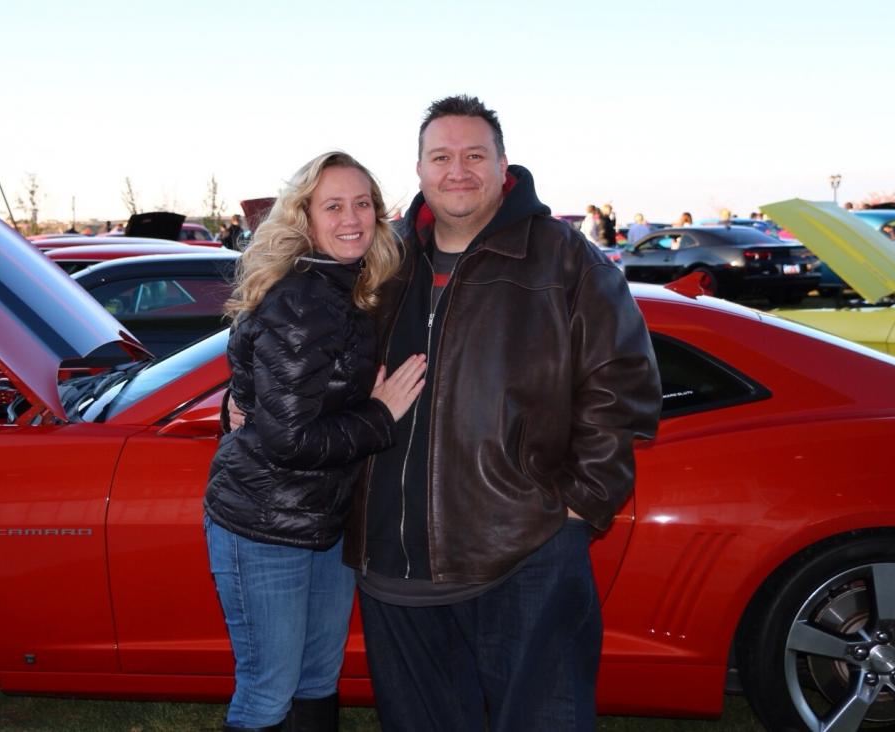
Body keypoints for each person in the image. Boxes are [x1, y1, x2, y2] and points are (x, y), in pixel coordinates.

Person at [344, 95, 662, 731]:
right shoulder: (387, 262)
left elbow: (623, 386)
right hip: (393, 561)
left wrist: (576, 508)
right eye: (441, 156)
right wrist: (247, 398)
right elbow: (314, 352)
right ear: (419, 170)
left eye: (473, 155)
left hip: (523, 553)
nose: (456, 170)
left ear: (503, 163)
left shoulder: (565, 257)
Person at [204, 151, 427, 732]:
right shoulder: (305, 298)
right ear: (305, 217)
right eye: (333, 206)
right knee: (268, 692)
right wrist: (380, 415)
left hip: (322, 521)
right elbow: (288, 439)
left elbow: (278, 392)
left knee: (315, 682)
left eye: (362, 205)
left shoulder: (346, 288)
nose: (351, 218)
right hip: (264, 526)